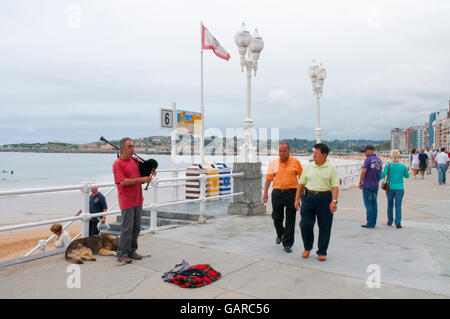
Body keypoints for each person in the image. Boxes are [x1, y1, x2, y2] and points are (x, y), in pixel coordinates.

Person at [294, 143, 339, 261]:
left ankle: (322, 251)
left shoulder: (331, 168)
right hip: (308, 197)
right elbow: (301, 184)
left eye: (316, 153)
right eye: (313, 153)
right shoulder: (309, 167)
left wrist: (334, 201)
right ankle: (307, 247)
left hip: (325, 199)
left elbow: (335, 186)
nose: (313, 155)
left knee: (325, 226)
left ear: (324, 155)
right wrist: (296, 199)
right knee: (305, 224)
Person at [113, 137, 154, 264]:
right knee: (127, 229)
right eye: (129, 146)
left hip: (137, 199)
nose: (132, 149)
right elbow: (123, 182)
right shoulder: (118, 164)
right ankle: (122, 253)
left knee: (136, 227)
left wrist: (151, 171)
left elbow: (143, 172)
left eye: (133, 146)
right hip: (127, 200)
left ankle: (131, 251)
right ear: (122, 149)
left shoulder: (135, 160)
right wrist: (141, 180)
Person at [263, 142, 303, 253]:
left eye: (284, 151)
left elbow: (302, 179)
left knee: (290, 219)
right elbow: (268, 178)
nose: (282, 153)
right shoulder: (274, 163)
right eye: (280, 151)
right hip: (277, 193)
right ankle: (280, 233)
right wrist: (265, 193)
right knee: (276, 217)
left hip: (291, 193)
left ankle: (288, 244)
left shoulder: (296, 162)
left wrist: (301, 195)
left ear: (289, 151)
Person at [379, 149, 410, 229]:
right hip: (400, 188)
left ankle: (390, 221)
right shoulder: (403, 166)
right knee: (398, 205)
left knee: (390, 204)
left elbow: (382, 175)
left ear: (391, 156)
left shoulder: (388, 165)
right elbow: (407, 176)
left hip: (389, 188)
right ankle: (398, 223)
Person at [358, 145, 383, 228]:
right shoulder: (379, 160)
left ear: (369, 151)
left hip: (367, 185)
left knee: (368, 204)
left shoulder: (368, 160)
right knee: (374, 204)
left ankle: (369, 223)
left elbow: (363, 172)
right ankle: (373, 222)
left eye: (365, 151)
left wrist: (360, 182)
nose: (364, 153)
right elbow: (380, 172)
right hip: (375, 184)